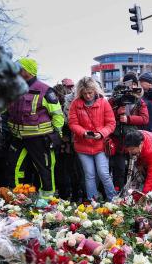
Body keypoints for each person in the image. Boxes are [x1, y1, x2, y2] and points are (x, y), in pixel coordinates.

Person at [6, 58, 64, 199]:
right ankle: (18, 199)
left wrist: (57, 134)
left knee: (45, 170)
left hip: (40, 139)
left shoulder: (45, 90)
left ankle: (47, 201)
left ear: (27, 71)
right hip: (17, 138)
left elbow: (57, 115)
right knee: (14, 168)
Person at [68, 77, 117, 201]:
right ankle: (92, 200)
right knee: (89, 175)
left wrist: (101, 133)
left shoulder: (104, 102)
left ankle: (113, 199)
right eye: (84, 93)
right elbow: (72, 123)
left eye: (90, 92)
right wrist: (84, 133)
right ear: (80, 93)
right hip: (82, 145)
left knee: (104, 173)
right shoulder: (75, 104)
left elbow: (111, 123)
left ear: (95, 90)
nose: (88, 96)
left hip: (100, 145)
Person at [109, 72, 150, 189]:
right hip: (118, 141)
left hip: (134, 139)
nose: (130, 87)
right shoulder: (114, 99)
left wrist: (128, 119)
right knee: (119, 169)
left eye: (133, 84)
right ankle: (119, 193)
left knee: (135, 170)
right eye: (127, 84)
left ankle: (134, 193)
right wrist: (117, 113)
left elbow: (145, 119)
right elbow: (106, 116)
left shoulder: (139, 100)